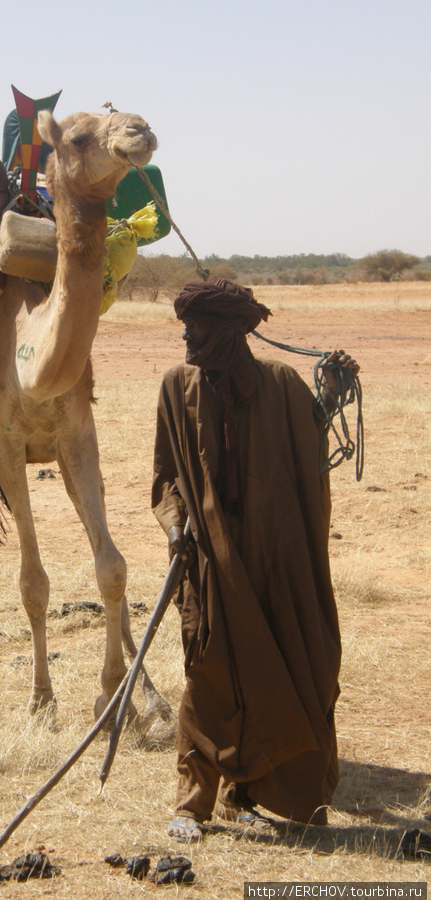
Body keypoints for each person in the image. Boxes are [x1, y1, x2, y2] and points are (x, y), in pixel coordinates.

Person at [152, 277, 360, 841]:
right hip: (210, 561)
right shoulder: (177, 386)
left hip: (274, 556)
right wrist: (176, 527)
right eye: (186, 329)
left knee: (288, 661)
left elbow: (310, 446)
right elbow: (167, 475)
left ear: (226, 334)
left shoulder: (280, 384)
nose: (188, 340)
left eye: (197, 330)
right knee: (209, 669)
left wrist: (334, 395)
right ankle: (192, 802)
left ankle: (248, 794)